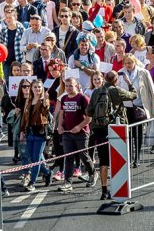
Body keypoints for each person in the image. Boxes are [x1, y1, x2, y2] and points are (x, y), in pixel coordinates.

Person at [87, 71, 137, 200]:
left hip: (99, 129)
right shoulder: (116, 90)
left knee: (103, 161)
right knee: (118, 159)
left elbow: (89, 111)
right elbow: (133, 95)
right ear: (115, 80)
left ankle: (104, 190)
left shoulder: (96, 92)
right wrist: (130, 84)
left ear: (104, 79)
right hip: (115, 129)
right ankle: (119, 189)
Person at [53, 77, 95, 193]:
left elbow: (89, 117)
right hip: (67, 133)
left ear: (76, 86)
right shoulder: (65, 98)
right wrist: (60, 126)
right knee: (69, 157)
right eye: (66, 86)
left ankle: (92, 173)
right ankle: (67, 182)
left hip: (81, 132)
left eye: (71, 85)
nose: (68, 88)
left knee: (83, 155)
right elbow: (62, 113)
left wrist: (79, 127)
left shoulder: (83, 98)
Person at [19, 80, 52, 191]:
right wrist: (22, 131)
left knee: (36, 159)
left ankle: (32, 183)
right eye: (35, 87)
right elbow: (24, 117)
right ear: (31, 88)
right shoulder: (28, 101)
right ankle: (47, 172)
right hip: (30, 132)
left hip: (40, 133)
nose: (37, 89)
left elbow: (45, 111)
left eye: (39, 87)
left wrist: (44, 101)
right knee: (33, 158)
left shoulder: (44, 100)